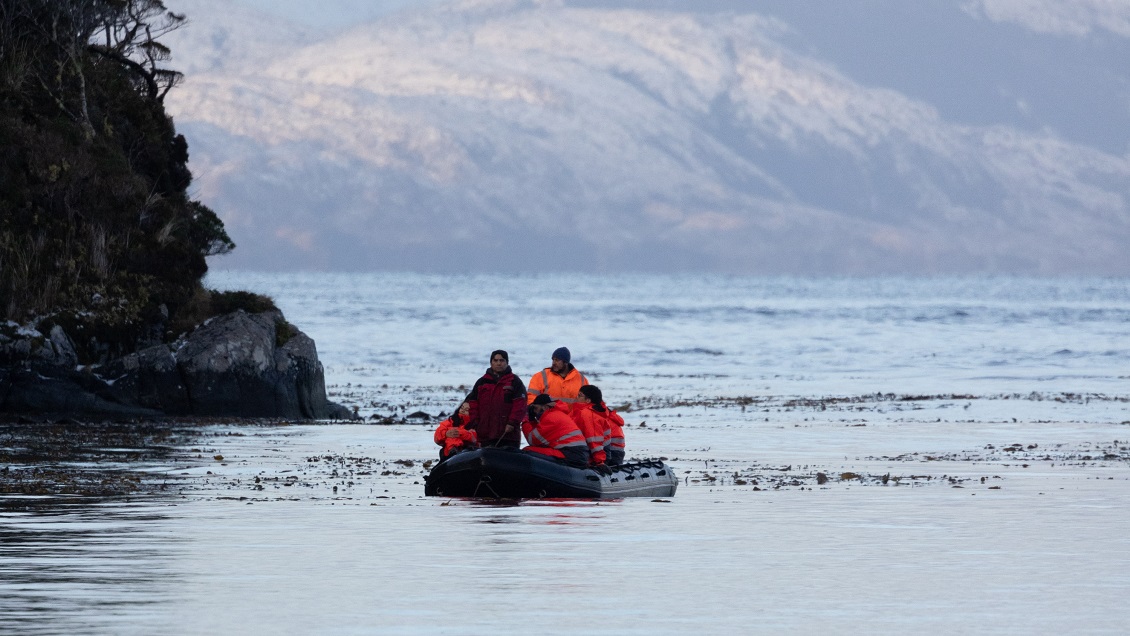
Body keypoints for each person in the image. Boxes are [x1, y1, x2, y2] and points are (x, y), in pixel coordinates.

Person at [466, 350, 527, 448]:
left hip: (508, 435)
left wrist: (512, 423)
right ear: (491, 362)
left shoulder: (515, 381)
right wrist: (475, 423)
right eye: (495, 360)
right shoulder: (482, 382)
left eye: (502, 360)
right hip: (485, 434)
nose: (498, 363)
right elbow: (473, 404)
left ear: (507, 362)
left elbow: (520, 405)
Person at [521, 394, 589, 468]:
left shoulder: (550, 419)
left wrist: (525, 420)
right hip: (576, 452)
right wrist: (532, 421)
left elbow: (533, 440)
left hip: (571, 453)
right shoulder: (556, 414)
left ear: (545, 407)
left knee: (528, 450)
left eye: (535, 408)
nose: (534, 411)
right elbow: (538, 436)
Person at [572, 385, 610, 466]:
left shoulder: (588, 415)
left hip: (595, 454)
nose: (576, 397)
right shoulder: (577, 411)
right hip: (587, 450)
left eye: (580, 395)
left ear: (588, 400)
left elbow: (594, 439)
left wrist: (599, 462)